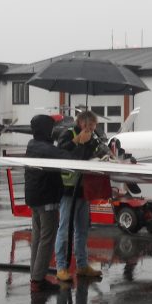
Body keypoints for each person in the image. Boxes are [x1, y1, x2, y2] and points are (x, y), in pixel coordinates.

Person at [24, 115, 76, 293]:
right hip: (46, 199)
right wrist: (75, 141)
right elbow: (66, 156)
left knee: (38, 239)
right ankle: (38, 281)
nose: (54, 130)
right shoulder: (44, 148)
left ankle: (35, 276)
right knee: (46, 240)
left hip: (35, 199)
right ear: (46, 129)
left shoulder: (33, 145)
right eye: (52, 127)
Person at [54, 110, 107, 282]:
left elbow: (96, 149)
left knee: (82, 229)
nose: (92, 130)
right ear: (82, 123)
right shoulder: (68, 134)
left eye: (94, 127)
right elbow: (61, 152)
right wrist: (77, 142)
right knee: (64, 230)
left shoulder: (90, 137)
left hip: (84, 189)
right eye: (90, 126)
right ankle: (61, 267)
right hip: (69, 189)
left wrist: (105, 156)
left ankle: (82, 265)